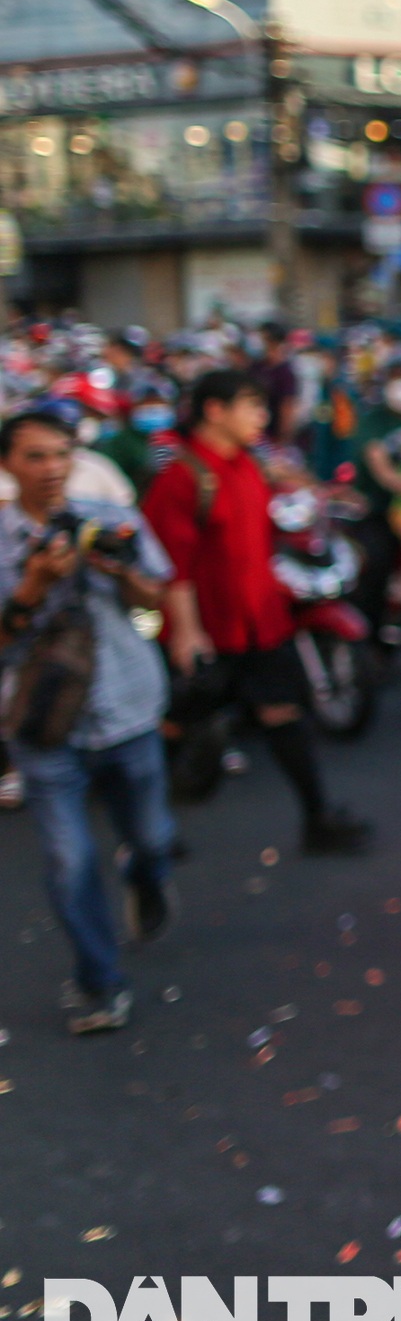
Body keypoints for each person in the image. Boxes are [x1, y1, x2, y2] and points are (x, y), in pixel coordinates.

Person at [142, 368, 372, 856]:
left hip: (262, 622)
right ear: (214, 410)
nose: (262, 418)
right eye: (252, 407)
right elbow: (172, 568)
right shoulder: (182, 479)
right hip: (210, 630)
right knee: (177, 727)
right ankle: (150, 832)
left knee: (284, 714)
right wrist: (186, 632)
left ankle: (317, 819)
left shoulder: (249, 464)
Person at [1, 409, 179, 1035]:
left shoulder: (113, 522)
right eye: (34, 457)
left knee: (154, 836)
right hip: (44, 728)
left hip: (127, 706)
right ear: (8, 465)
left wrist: (121, 572)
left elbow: (156, 596)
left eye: (60, 454)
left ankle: (146, 877)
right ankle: (100, 983)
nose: (51, 469)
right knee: (68, 858)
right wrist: (30, 588)